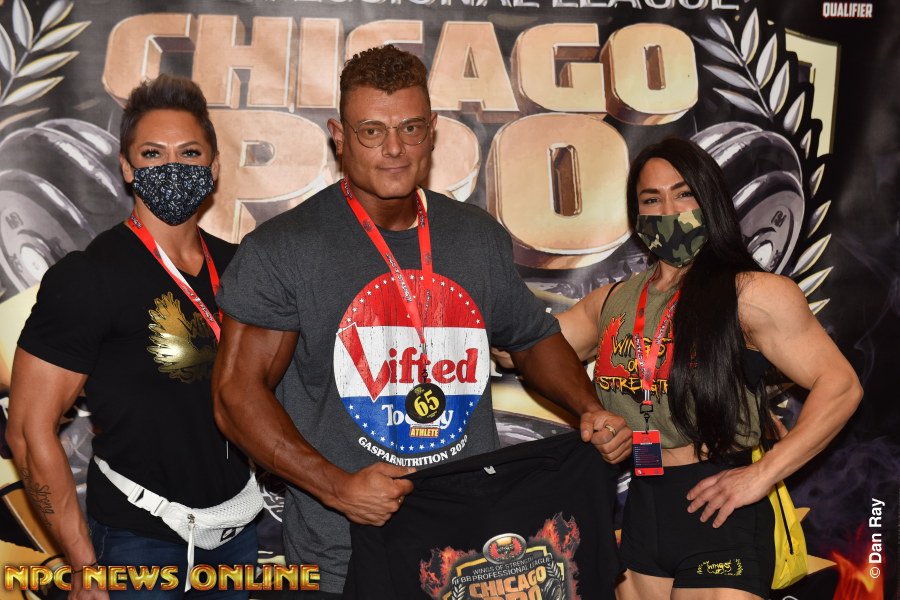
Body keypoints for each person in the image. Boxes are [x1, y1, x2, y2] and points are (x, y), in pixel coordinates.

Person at [211, 44, 630, 597]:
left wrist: (589, 408)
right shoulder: (285, 249)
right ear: (338, 136)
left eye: (409, 129)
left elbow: (531, 338)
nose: (393, 149)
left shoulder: (473, 236)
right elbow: (235, 394)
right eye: (371, 131)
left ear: (431, 131)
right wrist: (337, 488)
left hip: (466, 553)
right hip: (344, 552)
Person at [557, 137, 862, 600]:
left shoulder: (753, 293)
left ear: (710, 199)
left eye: (684, 193)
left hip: (720, 508)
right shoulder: (613, 301)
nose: (669, 210)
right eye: (651, 199)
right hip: (643, 504)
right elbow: (526, 348)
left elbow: (840, 386)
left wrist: (763, 474)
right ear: (636, 214)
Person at [6, 74, 259, 599]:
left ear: (213, 167)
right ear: (126, 167)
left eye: (190, 153)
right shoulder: (89, 277)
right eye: (152, 153)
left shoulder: (242, 270)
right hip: (138, 542)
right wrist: (83, 566)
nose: (173, 166)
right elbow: (29, 432)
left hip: (237, 536)